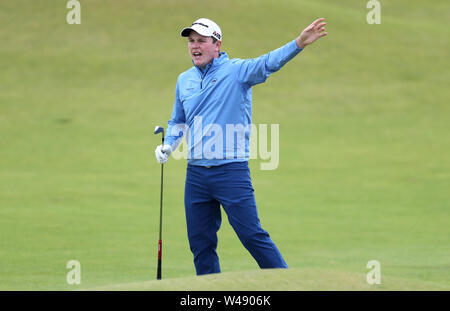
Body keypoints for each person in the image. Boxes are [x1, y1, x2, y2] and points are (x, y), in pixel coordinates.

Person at [155, 18, 327, 275]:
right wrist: (168, 145)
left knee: (252, 236)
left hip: (230, 172)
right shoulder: (184, 79)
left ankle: (286, 282)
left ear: (217, 44)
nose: (194, 46)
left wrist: (299, 43)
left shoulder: (237, 71)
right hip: (196, 175)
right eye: (191, 41)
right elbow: (178, 120)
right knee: (200, 245)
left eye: (201, 40)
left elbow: (269, 63)